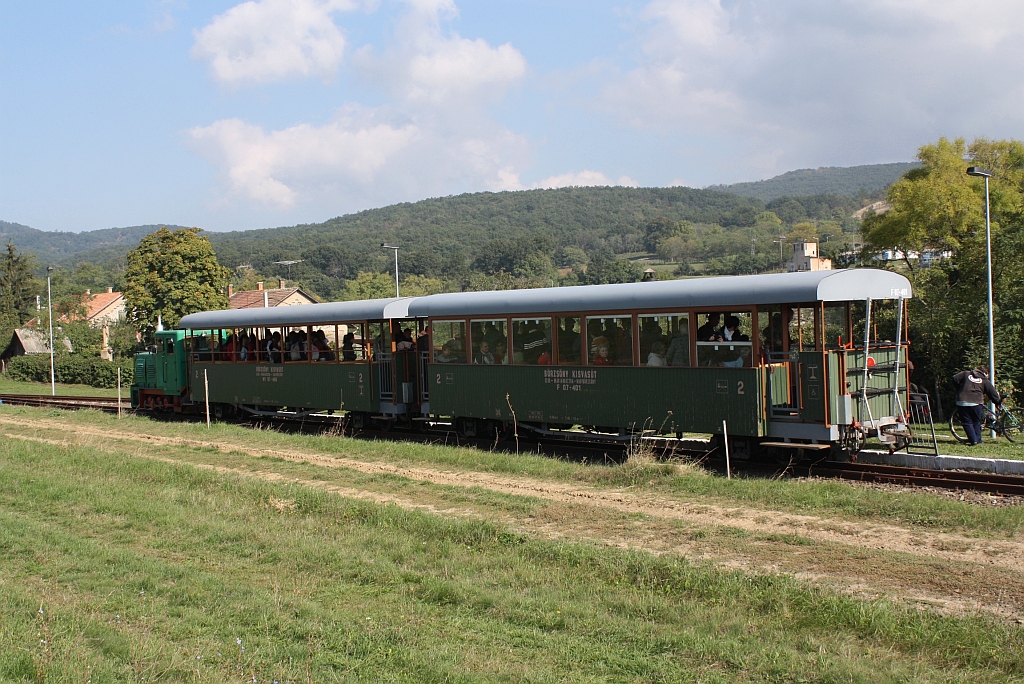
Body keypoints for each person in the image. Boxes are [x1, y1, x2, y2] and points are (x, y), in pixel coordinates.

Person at [952, 367, 1002, 445]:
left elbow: (955, 378)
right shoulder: (984, 380)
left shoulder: (966, 373)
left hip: (962, 400)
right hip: (976, 402)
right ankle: (978, 440)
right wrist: (997, 402)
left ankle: (973, 440)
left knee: (966, 422)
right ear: (986, 373)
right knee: (976, 421)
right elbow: (992, 393)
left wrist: (959, 389)